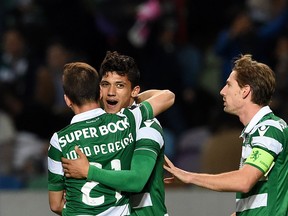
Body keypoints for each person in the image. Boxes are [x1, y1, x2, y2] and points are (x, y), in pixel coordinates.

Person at [164, 54, 288, 216]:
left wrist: (189, 177)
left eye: (229, 85)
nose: (222, 91)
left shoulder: (269, 129)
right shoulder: (258, 130)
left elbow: (244, 181)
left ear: (245, 91)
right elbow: (262, 191)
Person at [47, 61, 174, 215]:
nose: (111, 92)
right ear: (99, 91)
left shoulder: (145, 125)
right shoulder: (125, 122)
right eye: (106, 84)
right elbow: (167, 97)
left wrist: (88, 171)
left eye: (120, 85)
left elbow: (137, 180)